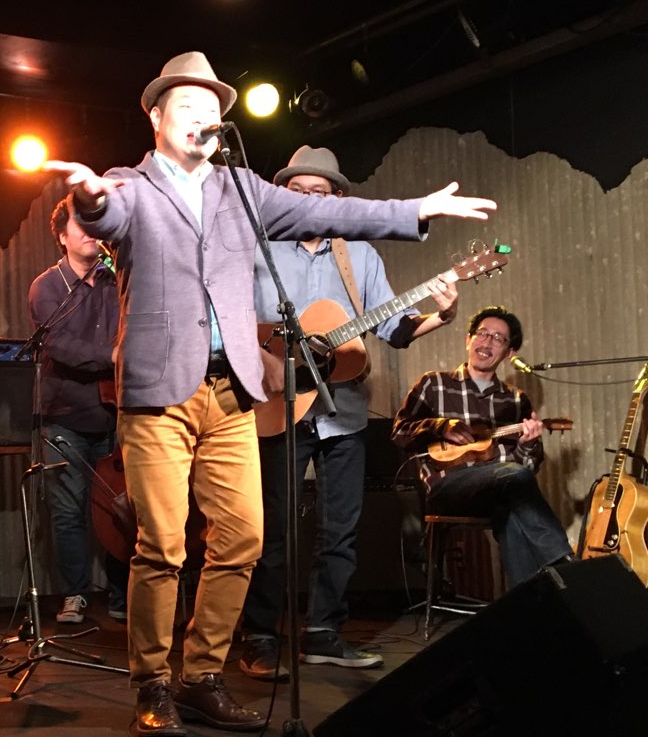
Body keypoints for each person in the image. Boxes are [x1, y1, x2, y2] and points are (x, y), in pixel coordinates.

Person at [43, 51, 495, 737]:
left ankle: (201, 676)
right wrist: (90, 200)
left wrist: (417, 209)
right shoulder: (129, 185)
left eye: (212, 109)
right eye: (187, 106)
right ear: (157, 117)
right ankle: (152, 684)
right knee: (162, 545)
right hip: (159, 394)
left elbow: (334, 212)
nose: (203, 118)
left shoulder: (242, 189)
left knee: (244, 537)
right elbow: (105, 214)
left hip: (231, 393)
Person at [239, 146, 461, 681]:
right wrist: (269, 358)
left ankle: (323, 633)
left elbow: (395, 328)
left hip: (344, 411)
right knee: (271, 530)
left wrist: (443, 314)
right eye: (297, 192)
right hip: (277, 407)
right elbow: (234, 321)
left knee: (340, 531)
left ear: (337, 198)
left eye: (319, 194)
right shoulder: (258, 248)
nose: (308, 201)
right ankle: (260, 636)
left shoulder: (358, 255)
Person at [390, 306, 573, 590]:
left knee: (511, 511)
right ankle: (565, 562)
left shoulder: (516, 401)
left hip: (499, 491)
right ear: (468, 339)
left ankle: (526, 602)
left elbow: (526, 470)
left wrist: (527, 445)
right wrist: (439, 426)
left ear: (509, 352)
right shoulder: (433, 384)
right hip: (447, 488)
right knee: (513, 480)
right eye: (482, 333)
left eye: (498, 338)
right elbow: (399, 433)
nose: (487, 342)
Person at [28, 197, 128, 624]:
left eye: (94, 224)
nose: (90, 232)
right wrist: (115, 355)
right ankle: (74, 595)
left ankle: (123, 597)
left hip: (115, 413)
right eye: (79, 225)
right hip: (66, 415)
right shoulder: (47, 286)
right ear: (61, 236)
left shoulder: (116, 279)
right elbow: (61, 346)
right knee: (69, 511)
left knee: (120, 509)